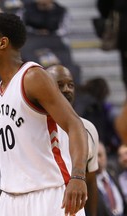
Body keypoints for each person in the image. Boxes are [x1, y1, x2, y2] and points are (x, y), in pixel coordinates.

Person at [0, 12, 88, 216]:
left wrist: (78, 176)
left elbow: (75, 125)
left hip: (49, 195)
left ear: (2, 43)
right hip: (11, 197)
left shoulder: (33, 77)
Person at [47, 65, 99, 216]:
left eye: (70, 85)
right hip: (40, 204)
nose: (67, 89)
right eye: (60, 85)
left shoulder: (88, 128)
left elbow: (90, 180)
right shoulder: (33, 125)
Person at [96, 142, 127, 216]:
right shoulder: (90, 185)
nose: (97, 160)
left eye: (100, 155)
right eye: (94, 157)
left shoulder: (114, 173)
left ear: (105, 155)